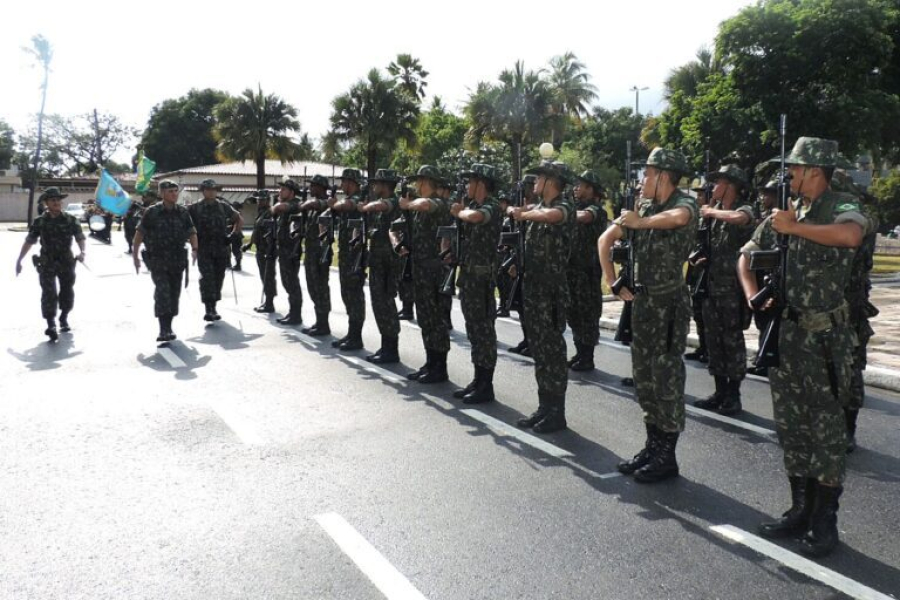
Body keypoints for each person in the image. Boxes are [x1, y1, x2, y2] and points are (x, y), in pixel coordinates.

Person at [737, 137, 865, 557]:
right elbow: (747, 254)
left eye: (794, 168)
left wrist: (795, 228)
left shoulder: (841, 205)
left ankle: (825, 520)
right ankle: (799, 509)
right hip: (786, 336)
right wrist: (753, 293)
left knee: (826, 429)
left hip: (826, 339)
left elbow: (850, 236)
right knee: (791, 426)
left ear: (814, 170)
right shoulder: (783, 212)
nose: (789, 174)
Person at [598, 148, 698, 482]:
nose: (643, 180)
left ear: (664, 176)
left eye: (649, 174)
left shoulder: (684, 203)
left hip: (669, 307)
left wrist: (641, 221)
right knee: (644, 379)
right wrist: (613, 282)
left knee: (666, 377)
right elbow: (605, 239)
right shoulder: (643, 207)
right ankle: (652, 447)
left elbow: (679, 218)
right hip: (641, 306)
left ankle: (666, 456)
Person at [512, 160, 576, 434]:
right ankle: (544, 406)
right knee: (539, 349)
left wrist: (524, 215)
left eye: (539, 177)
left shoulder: (564, 206)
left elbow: (552, 216)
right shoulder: (537, 208)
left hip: (551, 292)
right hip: (533, 288)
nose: (534, 181)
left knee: (552, 351)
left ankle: (557, 412)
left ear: (551, 181)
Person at [690, 164, 755, 416]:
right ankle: (719, 391)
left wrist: (712, 213)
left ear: (731, 185)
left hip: (732, 290)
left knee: (732, 341)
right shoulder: (712, 213)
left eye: (718, 183)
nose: (713, 188)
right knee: (713, 341)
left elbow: (741, 219)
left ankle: (734, 395)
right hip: (710, 285)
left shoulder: (742, 208)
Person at [450, 163, 504, 404]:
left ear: (482, 184)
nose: (467, 186)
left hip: (482, 279)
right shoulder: (471, 206)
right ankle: (478, 379)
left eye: (471, 182)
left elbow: (474, 217)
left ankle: (486, 385)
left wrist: (459, 213)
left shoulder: (490, 207)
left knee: (484, 332)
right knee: (473, 330)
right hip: (469, 277)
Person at [395, 165, 452, 383]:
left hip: (434, 271)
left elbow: (425, 203)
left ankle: (440, 367)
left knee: (436, 320)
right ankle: (430, 362)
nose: (418, 185)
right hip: (421, 270)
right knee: (425, 319)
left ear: (429, 183)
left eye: (421, 181)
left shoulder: (438, 203)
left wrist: (408, 204)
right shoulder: (419, 209)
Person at [15, 187, 86, 341]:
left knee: (67, 291)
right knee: (48, 293)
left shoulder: (70, 219)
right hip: (47, 261)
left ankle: (64, 317)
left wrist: (82, 252)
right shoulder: (40, 221)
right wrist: (19, 260)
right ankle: (51, 324)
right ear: (46, 203)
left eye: (58, 200)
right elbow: (30, 241)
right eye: (53, 200)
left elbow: (80, 237)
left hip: (66, 261)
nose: (56, 202)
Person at [131, 180, 198, 342]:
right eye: (170, 191)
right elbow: (139, 234)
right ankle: (163, 329)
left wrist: (195, 249)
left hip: (177, 261)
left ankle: (169, 325)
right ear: (161, 194)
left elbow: (192, 232)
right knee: (163, 292)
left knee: (174, 294)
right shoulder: (152, 212)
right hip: (158, 260)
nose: (174, 194)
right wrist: (135, 256)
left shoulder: (182, 212)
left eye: (176, 191)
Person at [567, 170, 608, 371]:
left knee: (587, 313)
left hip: (588, 272)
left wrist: (561, 213)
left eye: (581, 185)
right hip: (572, 270)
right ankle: (579, 352)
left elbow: (584, 217)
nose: (576, 188)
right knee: (573, 312)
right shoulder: (574, 207)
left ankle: (587, 356)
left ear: (591, 189)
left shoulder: (597, 210)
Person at [360, 169, 403, 363]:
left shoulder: (393, 202)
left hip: (389, 264)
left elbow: (382, 205)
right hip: (377, 263)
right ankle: (385, 346)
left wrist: (366, 207)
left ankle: (391, 349)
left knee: (386, 304)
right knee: (378, 304)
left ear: (386, 185)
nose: (374, 187)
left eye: (377, 183)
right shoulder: (380, 205)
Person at [188, 179, 243, 322]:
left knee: (218, 278)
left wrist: (233, 235)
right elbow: (185, 223)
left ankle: (213, 305)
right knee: (207, 278)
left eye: (214, 189)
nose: (212, 192)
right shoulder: (195, 208)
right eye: (209, 189)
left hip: (221, 248)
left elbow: (238, 219)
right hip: (204, 249)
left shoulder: (223, 207)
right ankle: (209, 309)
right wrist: (191, 240)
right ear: (203, 191)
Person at [330, 169, 366, 350]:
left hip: (356, 256)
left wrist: (334, 204)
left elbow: (346, 206)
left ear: (351, 182)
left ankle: (356, 336)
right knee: (347, 294)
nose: (342, 185)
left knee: (355, 295)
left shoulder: (359, 199)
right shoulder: (347, 200)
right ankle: (351, 333)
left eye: (344, 181)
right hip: (346, 255)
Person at [507, 174, 537, 356]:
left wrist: (523, 211)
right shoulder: (524, 207)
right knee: (521, 306)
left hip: (535, 267)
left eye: (527, 186)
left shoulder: (538, 207)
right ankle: (527, 339)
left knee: (532, 310)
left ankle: (533, 343)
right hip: (522, 260)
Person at [298, 175, 332, 336]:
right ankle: (319, 322)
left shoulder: (327, 202)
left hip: (321, 253)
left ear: (320, 187)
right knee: (312, 286)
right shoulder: (313, 206)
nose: (310, 189)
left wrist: (303, 204)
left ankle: (323, 324)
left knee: (321, 287)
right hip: (311, 252)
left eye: (313, 186)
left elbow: (313, 203)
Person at [684, 179, 710, 363]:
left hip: (708, 271)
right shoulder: (699, 218)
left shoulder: (713, 217)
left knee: (708, 315)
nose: (698, 197)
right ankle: (702, 347)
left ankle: (709, 349)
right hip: (696, 270)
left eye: (702, 194)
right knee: (698, 312)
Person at [273, 179, 304, 325]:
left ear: (292, 192)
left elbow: (279, 208)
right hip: (284, 250)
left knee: (292, 282)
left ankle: (296, 315)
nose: (280, 192)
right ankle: (292, 312)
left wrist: (277, 205)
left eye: (283, 189)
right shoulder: (288, 204)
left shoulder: (295, 204)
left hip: (292, 250)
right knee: (287, 282)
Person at [242, 190, 278, 313]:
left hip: (267, 250)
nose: (259, 202)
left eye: (261, 200)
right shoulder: (261, 213)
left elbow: (272, 233)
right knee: (264, 275)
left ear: (267, 200)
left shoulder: (271, 213)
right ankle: (267, 302)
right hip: (260, 249)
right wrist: (250, 244)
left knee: (268, 276)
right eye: (258, 200)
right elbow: (256, 231)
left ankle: (269, 303)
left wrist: (270, 249)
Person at [229, 201, 244, 271]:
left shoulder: (237, 214)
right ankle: (235, 264)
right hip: (235, 234)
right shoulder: (234, 214)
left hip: (237, 235)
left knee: (236, 250)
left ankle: (238, 265)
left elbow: (237, 224)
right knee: (234, 250)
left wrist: (234, 232)